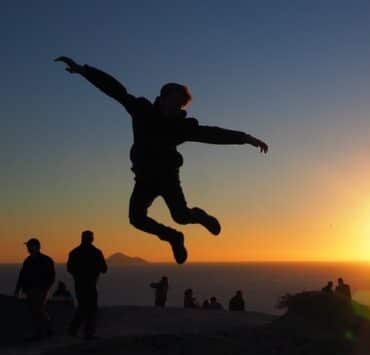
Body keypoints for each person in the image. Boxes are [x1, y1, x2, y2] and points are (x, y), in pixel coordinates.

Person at [54, 56, 269, 264]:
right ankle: (173, 238)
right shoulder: (142, 110)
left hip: (167, 176)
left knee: (181, 217)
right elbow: (116, 91)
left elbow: (212, 134)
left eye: (180, 106)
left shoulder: (181, 127)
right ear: (163, 97)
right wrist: (84, 71)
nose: (175, 108)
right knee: (136, 218)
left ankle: (200, 216)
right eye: (173, 102)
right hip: (144, 177)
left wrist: (245, 138)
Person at [67, 231, 108, 339]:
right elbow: (104, 269)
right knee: (91, 308)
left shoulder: (74, 252)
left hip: (79, 284)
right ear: (92, 239)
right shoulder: (96, 252)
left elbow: (69, 269)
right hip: (91, 284)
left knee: (82, 306)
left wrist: (78, 274)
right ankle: (87, 333)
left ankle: (73, 330)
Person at [14, 238, 56, 340]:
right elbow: (22, 276)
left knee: (38, 310)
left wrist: (45, 288)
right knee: (35, 311)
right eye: (28, 246)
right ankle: (45, 330)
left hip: (40, 290)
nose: (27, 248)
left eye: (29, 245)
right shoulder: (28, 261)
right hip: (30, 290)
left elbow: (51, 276)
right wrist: (18, 289)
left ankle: (42, 332)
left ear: (36, 246)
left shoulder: (45, 260)